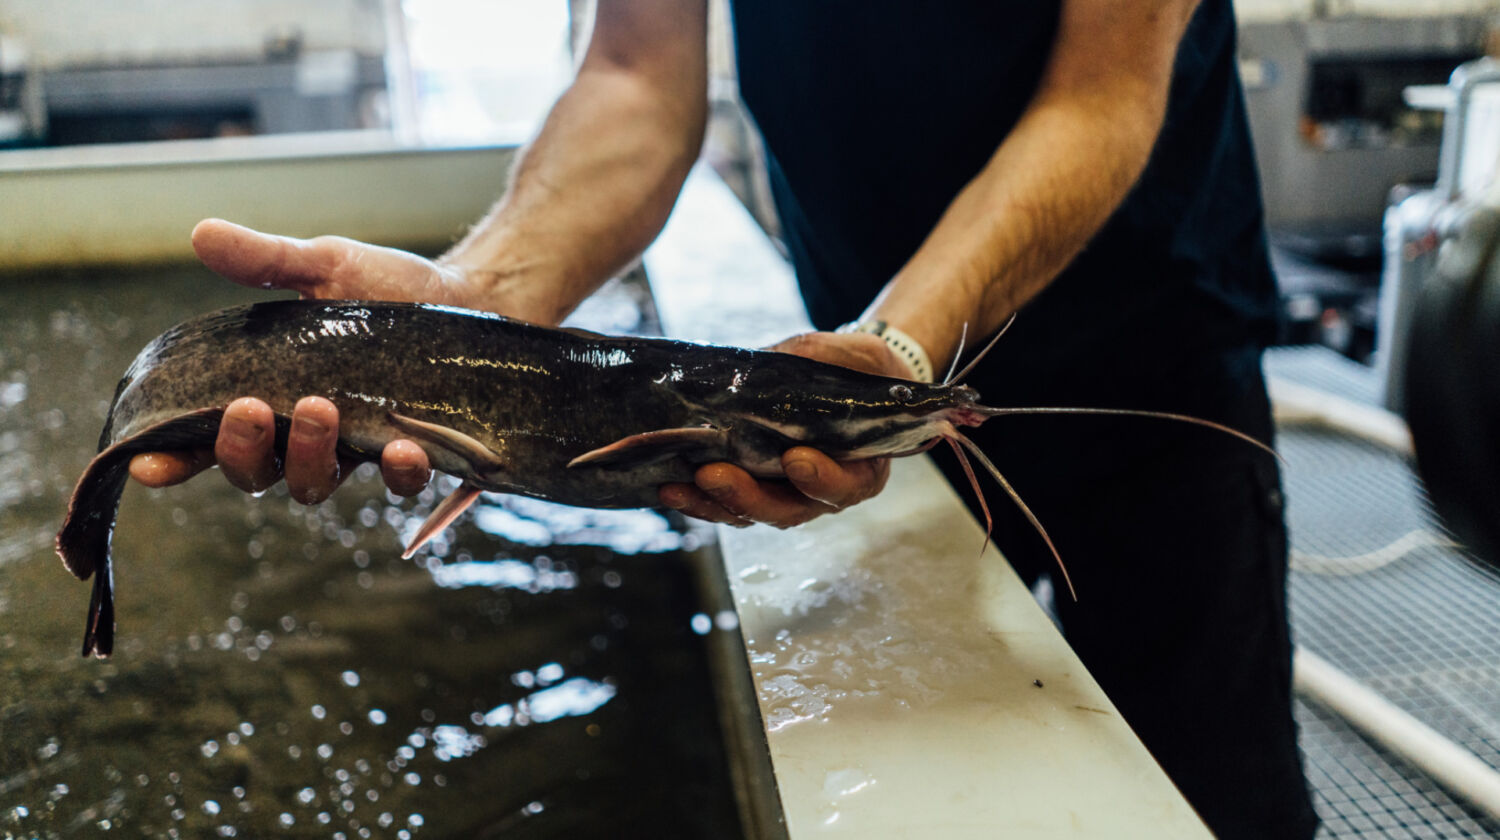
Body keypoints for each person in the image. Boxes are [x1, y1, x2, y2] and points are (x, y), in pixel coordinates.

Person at [131, 2, 1318, 836]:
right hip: (854, 352)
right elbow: (640, 78)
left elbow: (1103, 91)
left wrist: (899, 351)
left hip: (1147, 348)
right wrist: (484, 305)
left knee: (1214, 789)